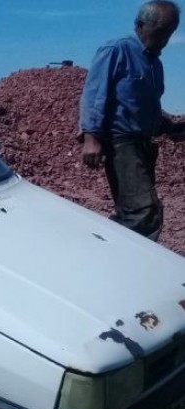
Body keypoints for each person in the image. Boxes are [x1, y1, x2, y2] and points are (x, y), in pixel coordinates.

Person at [79, 1, 185, 241]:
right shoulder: (117, 50)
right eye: (160, 34)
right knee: (142, 211)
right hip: (121, 144)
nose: (164, 42)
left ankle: (115, 255)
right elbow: (95, 93)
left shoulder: (153, 64)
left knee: (135, 211)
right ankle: (116, 257)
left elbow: (144, 109)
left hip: (142, 145)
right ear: (140, 25)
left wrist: (171, 128)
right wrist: (91, 138)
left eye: (168, 35)